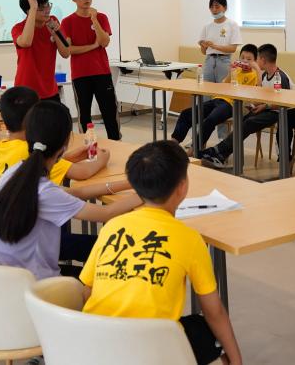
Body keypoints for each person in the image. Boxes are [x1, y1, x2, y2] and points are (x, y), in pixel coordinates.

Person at [80, 141, 243, 365]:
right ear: (182, 187)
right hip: (152, 352)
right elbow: (214, 312)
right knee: (206, 330)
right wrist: (237, 360)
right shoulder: (189, 239)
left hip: (94, 348)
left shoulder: (112, 226)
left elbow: (87, 291)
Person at [0, 101, 141, 279]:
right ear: (65, 144)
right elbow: (106, 213)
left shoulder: (16, 171)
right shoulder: (44, 191)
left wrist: (130, 183)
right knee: (122, 256)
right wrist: (149, 190)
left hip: (2, 281)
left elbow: (75, 193)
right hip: (39, 287)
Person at [199, 43, 293, 168]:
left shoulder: (280, 76)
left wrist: (264, 106)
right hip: (266, 108)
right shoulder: (265, 75)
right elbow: (260, 95)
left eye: (257, 59)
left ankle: (218, 151)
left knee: (248, 123)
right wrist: (254, 104)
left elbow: (283, 103)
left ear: (263, 60)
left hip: (279, 112)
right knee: (241, 122)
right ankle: (220, 153)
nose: (255, 62)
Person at [0, 85, 109, 184]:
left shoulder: (2, 147)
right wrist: (102, 160)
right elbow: (82, 172)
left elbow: (46, 164)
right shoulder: (28, 151)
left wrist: (71, 156)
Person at [60, 0, 120, 140]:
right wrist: (93, 46)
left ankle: (116, 141)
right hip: (80, 74)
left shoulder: (101, 17)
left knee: (109, 111)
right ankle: (87, 143)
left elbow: (104, 42)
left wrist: (94, 19)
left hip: (102, 72)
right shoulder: (67, 21)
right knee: (84, 114)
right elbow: (68, 49)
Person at [171, 44, 259, 152]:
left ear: (255, 61)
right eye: (242, 58)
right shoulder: (236, 71)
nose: (245, 61)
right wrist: (231, 72)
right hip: (218, 99)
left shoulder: (254, 74)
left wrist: (257, 69)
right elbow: (223, 85)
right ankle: (172, 145)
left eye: (249, 59)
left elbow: (258, 91)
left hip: (232, 104)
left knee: (210, 120)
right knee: (186, 114)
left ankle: (193, 150)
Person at [12, 0, 70, 101]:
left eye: (47, 5)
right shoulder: (18, 28)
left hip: (50, 90)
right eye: (41, 8)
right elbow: (26, 42)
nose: (47, 10)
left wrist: (56, 34)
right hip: (26, 90)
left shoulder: (52, 21)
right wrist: (33, 8)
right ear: (29, 11)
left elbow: (66, 53)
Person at [198, 0, 242, 83]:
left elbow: (233, 49)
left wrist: (214, 46)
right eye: (211, 7)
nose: (214, 10)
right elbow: (203, 52)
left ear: (225, 8)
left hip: (224, 61)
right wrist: (204, 46)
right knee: (206, 88)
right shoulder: (207, 26)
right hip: (209, 61)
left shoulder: (232, 24)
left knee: (223, 88)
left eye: (217, 6)